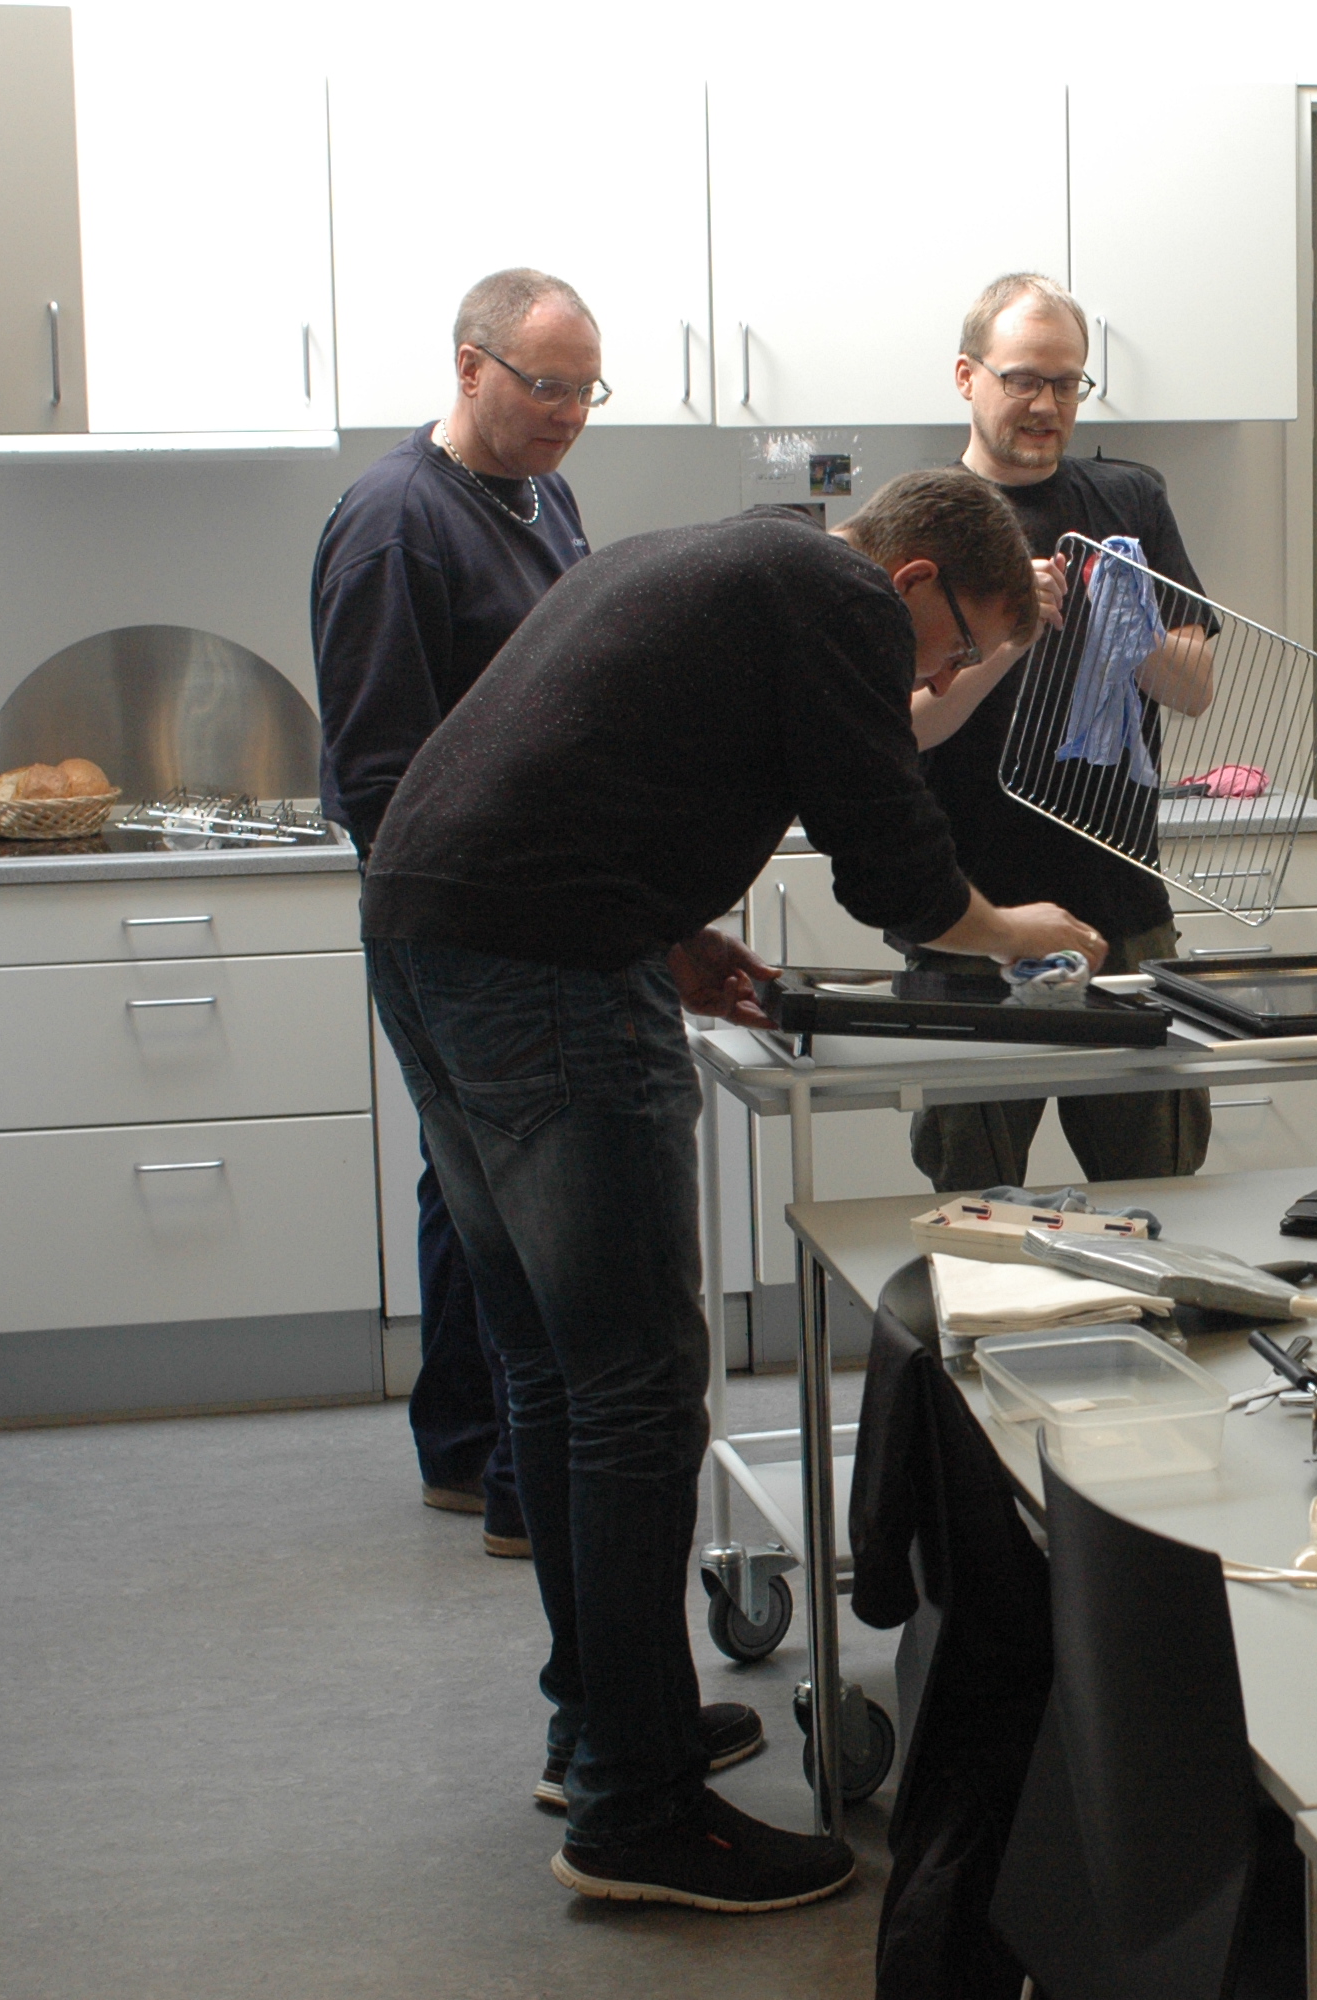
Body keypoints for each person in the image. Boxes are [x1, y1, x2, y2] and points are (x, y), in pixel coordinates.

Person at [361, 468, 1103, 1912]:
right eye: (952, 649)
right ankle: (637, 1814)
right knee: (638, 1392)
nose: (935, 681)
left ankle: (602, 1730)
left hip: (432, 932)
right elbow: (898, 872)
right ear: (913, 580)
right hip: (545, 966)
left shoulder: (739, 562)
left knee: (562, 1374)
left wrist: (677, 933)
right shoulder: (841, 600)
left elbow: (592, 771)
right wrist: (1021, 929)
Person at [312, 267, 603, 1560]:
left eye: (586, 390)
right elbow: (381, 774)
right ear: (470, 366)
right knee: (502, 1189)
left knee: (471, 1181)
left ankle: (467, 1445)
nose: (570, 413)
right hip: (461, 926)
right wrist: (468, 941)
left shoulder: (543, 496)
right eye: (547, 386)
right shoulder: (395, 523)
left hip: (524, 910)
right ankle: (499, 1468)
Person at [903, 272, 1219, 1192]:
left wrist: (1131, 624)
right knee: (977, 1205)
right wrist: (1008, 635)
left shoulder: (1131, 502)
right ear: (967, 377)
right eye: (1022, 379)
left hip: (1123, 911)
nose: (1046, 405)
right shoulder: (923, 520)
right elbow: (909, 728)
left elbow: (1194, 690)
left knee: (1159, 1190)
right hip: (971, 925)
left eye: (1067, 382)